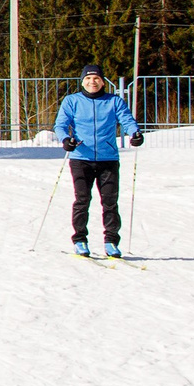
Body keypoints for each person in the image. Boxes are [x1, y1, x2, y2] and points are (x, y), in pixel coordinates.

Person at [52, 63, 142, 257]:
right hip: (80, 158)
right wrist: (66, 140)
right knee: (82, 200)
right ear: (83, 81)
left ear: (102, 82)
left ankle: (111, 241)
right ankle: (80, 240)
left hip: (107, 158)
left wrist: (135, 133)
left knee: (110, 202)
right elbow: (60, 124)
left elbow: (126, 119)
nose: (92, 82)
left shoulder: (114, 101)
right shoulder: (72, 101)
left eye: (96, 79)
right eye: (88, 79)